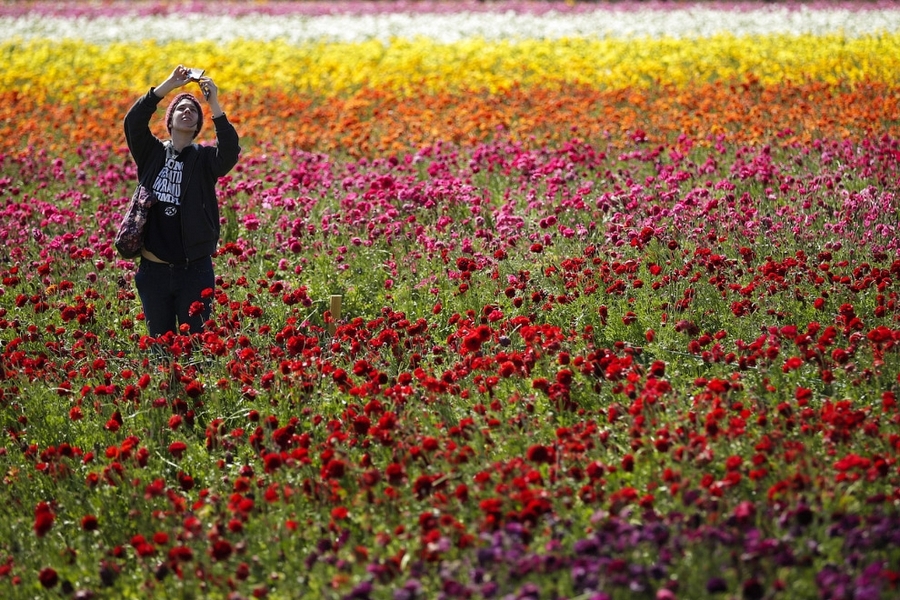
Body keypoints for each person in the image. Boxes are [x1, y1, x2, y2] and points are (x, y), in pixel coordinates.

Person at [123, 65, 241, 338]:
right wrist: (168, 86)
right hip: (153, 271)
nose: (187, 111)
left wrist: (214, 103)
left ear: (199, 124)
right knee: (160, 347)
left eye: (193, 110)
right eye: (181, 108)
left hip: (194, 270)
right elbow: (133, 122)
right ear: (170, 119)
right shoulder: (150, 153)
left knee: (197, 346)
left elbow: (230, 153)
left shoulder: (204, 161)